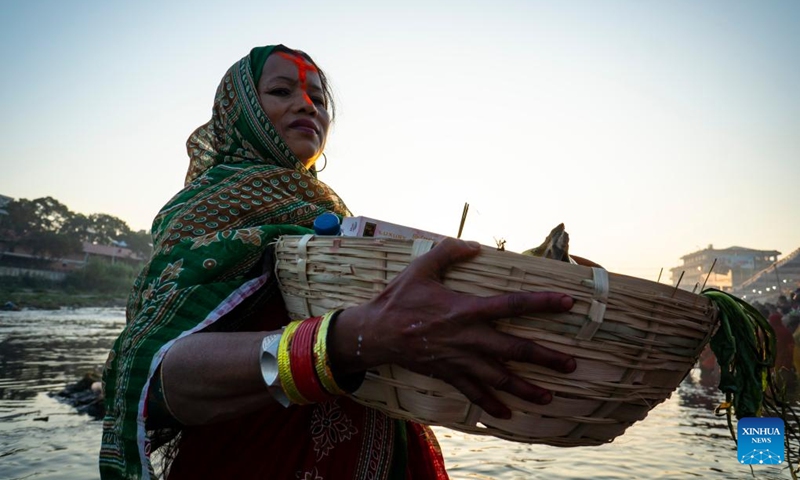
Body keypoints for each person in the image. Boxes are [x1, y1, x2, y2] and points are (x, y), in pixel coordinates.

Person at [99, 45, 578, 480]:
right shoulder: (203, 213)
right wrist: (348, 341)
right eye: (282, 90)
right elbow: (154, 377)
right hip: (257, 459)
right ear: (240, 112)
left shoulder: (331, 218)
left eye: (319, 98)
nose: (309, 105)